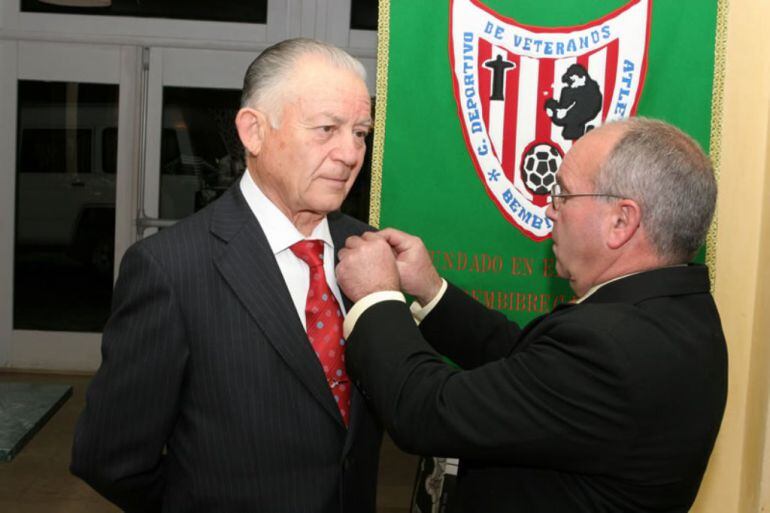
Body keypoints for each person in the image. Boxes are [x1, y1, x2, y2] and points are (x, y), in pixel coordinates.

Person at [335, 117, 727, 513]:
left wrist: (377, 296)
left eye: (564, 196)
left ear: (621, 222)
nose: (550, 211)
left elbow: (424, 410)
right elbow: (525, 368)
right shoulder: (682, 311)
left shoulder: (612, 345)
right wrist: (431, 289)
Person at [71, 38, 382, 513]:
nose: (350, 153)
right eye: (326, 129)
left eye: (360, 132)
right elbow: (109, 459)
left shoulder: (366, 251)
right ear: (253, 131)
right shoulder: (170, 269)